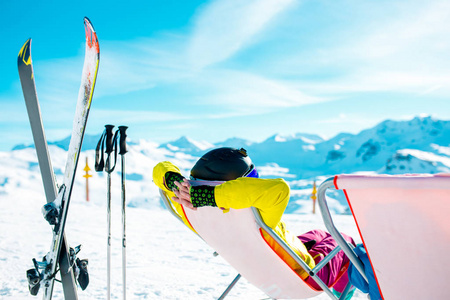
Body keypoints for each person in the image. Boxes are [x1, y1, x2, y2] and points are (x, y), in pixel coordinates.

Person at [153, 147, 356, 297]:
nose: (256, 182)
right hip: (307, 276)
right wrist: (211, 196)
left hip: (263, 263)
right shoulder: (255, 211)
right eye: (252, 178)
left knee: (319, 234)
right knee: (346, 241)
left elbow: (159, 169)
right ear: (242, 183)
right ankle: (342, 294)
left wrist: (175, 182)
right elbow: (280, 189)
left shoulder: (186, 206)